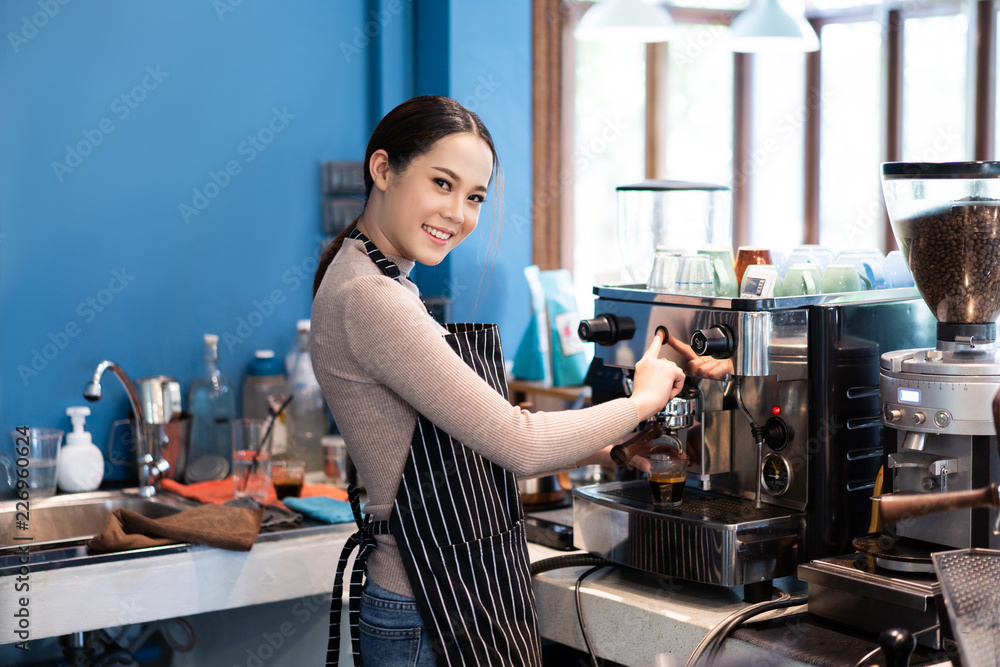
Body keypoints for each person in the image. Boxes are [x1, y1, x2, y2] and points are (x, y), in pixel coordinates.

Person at [311, 95, 685, 667]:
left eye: (475, 197)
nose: (457, 213)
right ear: (382, 169)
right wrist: (642, 400)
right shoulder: (371, 297)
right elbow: (518, 442)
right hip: (428, 609)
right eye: (441, 183)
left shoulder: (374, 278)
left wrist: (609, 448)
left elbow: (455, 444)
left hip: (437, 595)